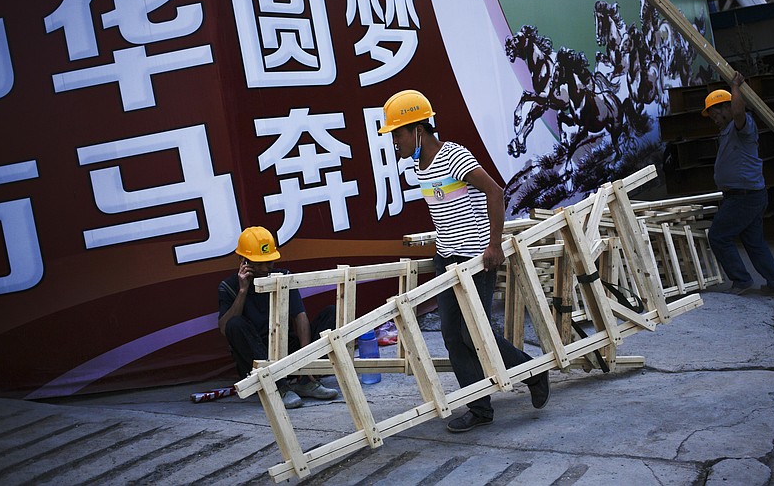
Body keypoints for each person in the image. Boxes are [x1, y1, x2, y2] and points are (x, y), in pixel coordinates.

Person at [378, 89, 551, 433]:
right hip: (447, 259)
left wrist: (495, 245)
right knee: (451, 335)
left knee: (475, 333)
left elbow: (495, 192)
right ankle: (479, 408)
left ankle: (533, 371)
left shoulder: (453, 156)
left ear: (417, 130)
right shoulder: (419, 167)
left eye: (397, 133)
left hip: (476, 259)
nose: (394, 141)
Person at [218, 226, 339, 409]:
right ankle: (278, 386)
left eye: (269, 263)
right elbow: (225, 328)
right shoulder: (228, 286)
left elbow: (300, 316)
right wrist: (242, 291)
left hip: (286, 349)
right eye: (259, 264)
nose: (265, 268)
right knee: (235, 324)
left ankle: (306, 380)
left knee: (331, 313)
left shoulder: (282, 276)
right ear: (243, 261)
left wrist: (305, 362)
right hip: (256, 358)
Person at [702, 72, 774, 296]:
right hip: (748, 195)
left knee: (718, 236)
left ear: (728, 107)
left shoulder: (743, 125)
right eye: (712, 117)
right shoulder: (727, 132)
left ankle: (741, 280)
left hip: (744, 196)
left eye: (718, 114)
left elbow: (739, 110)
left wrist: (735, 86)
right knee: (754, 241)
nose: (716, 119)